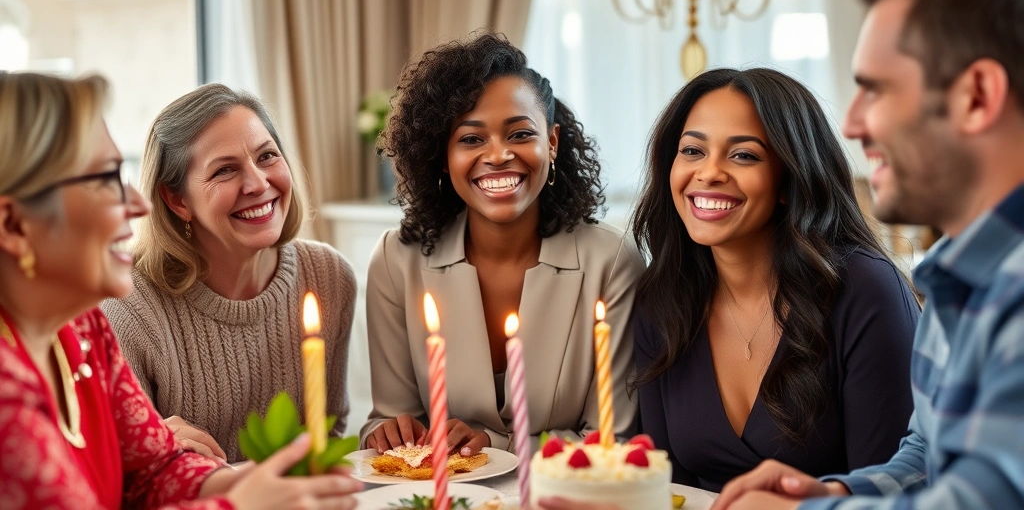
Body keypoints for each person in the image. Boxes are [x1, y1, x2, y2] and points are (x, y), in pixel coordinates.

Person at [712, 0, 1024, 509]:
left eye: (875, 90)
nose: (851, 124)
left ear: (977, 96)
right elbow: (927, 455)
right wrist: (834, 490)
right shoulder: (957, 275)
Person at [0, 71, 361, 509]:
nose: (137, 205)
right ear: (14, 225)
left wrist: (252, 479)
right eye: (102, 181)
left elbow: (153, 469)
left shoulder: (83, 329)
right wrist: (244, 504)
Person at [626, 68, 916, 493]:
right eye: (692, 151)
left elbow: (894, 488)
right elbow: (664, 487)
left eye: (743, 155)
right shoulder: (663, 296)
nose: (708, 173)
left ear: (789, 179)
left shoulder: (866, 290)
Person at [361, 32, 644, 457]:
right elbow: (394, 418)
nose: (497, 155)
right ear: (442, 156)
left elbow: (613, 441)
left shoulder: (611, 261)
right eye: (471, 139)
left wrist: (493, 446)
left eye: (519, 134)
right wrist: (386, 432)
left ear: (551, 143)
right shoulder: (396, 262)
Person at [102, 84, 356, 463]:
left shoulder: (328, 276)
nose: (258, 183)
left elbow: (329, 430)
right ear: (177, 200)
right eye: (225, 170)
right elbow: (121, 473)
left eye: (267, 156)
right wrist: (148, 447)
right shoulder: (128, 307)